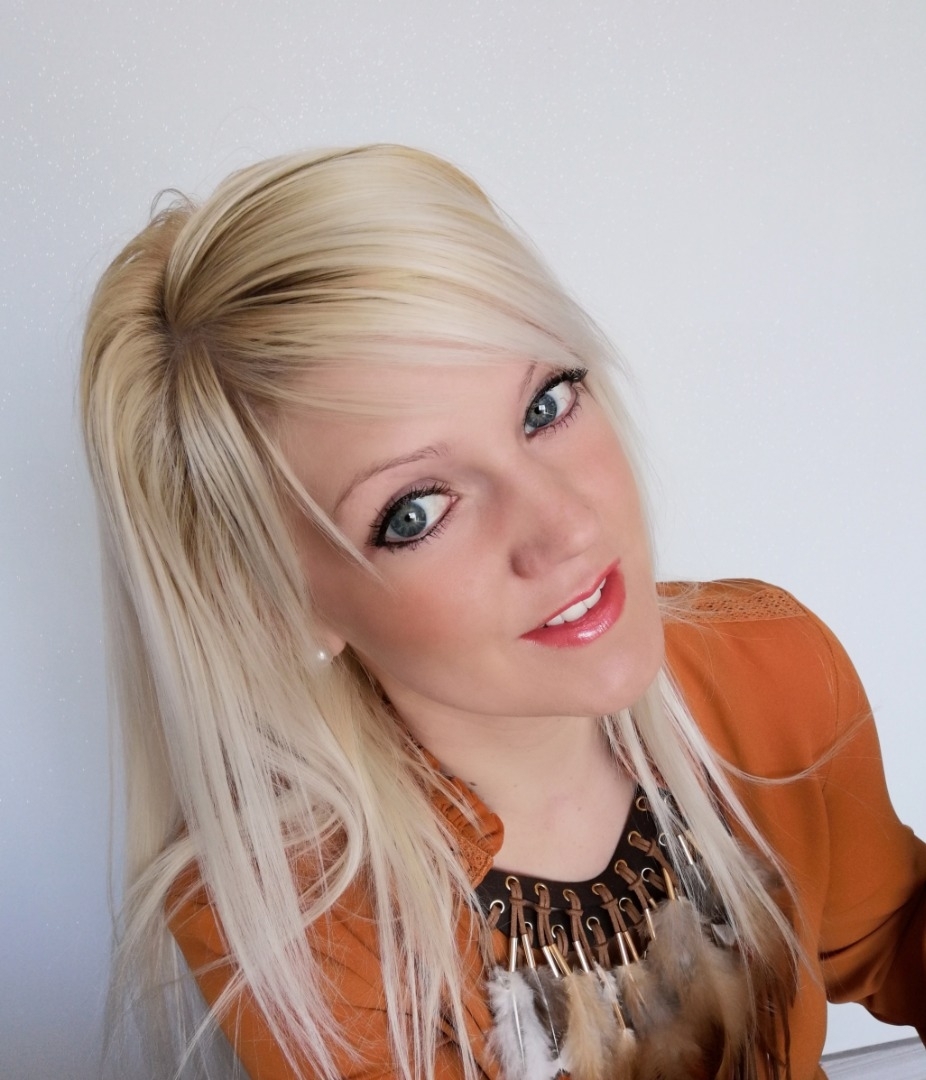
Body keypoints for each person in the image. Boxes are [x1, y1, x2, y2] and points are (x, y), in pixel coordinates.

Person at [80, 145, 925, 1080]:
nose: (567, 526)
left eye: (546, 404)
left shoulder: (774, 670)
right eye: (415, 511)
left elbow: (885, 934)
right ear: (280, 608)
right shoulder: (294, 923)